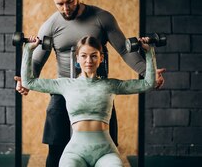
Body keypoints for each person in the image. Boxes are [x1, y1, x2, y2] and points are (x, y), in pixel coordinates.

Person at [14, 0, 165, 167]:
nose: (65, 8)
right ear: (53, 0)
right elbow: (36, 61)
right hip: (64, 91)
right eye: (59, 4)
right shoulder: (51, 25)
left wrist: (147, 71)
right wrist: (23, 80)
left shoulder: (102, 18)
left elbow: (124, 50)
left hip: (98, 87)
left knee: (107, 143)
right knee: (55, 148)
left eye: (70, 1)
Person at [21, 35, 156, 167]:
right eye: (84, 55)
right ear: (77, 58)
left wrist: (149, 51)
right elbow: (28, 82)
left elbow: (148, 83)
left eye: (94, 55)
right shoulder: (65, 84)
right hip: (75, 152)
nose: (88, 60)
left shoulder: (111, 85)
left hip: (105, 152)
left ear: (101, 58)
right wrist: (28, 49)